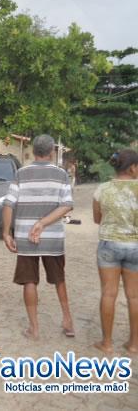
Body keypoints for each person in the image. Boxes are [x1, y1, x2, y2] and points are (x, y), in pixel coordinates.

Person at [2, 134, 75, 340]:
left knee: (29, 281)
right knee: (59, 279)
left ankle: (34, 329)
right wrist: (43, 223)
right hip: (52, 238)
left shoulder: (21, 174)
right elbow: (67, 204)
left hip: (26, 238)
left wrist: (6, 232)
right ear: (52, 152)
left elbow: (9, 203)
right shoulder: (61, 175)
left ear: (34, 151)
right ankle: (68, 321)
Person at [92, 149, 138, 355]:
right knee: (134, 297)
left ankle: (107, 343)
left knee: (108, 294)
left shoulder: (103, 189)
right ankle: (134, 344)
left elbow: (96, 219)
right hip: (135, 246)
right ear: (133, 167)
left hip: (109, 245)